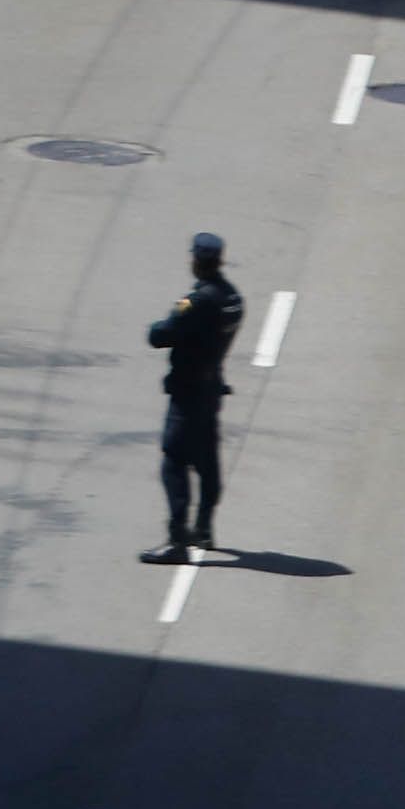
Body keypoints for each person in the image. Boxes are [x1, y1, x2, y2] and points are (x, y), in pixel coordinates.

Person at [147, 231, 246, 563]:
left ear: (198, 262)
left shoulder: (199, 301)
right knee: (206, 461)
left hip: (188, 391)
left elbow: (161, 334)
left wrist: (161, 326)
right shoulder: (233, 298)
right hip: (211, 388)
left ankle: (178, 540)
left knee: (173, 461)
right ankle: (204, 527)